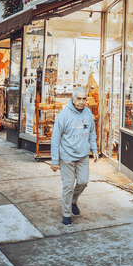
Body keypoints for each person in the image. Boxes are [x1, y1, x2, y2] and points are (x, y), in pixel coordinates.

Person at [50, 85, 98, 226]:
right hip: (67, 157)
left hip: (83, 155)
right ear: (72, 98)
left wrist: (94, 150)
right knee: (68, 186)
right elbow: (55, 138)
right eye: (78, 99)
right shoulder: (64, 115)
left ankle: (73, 201)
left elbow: (91, 133)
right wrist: (54, 160)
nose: (81, 102)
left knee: (83, 182)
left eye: (84, 99)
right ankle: (66, 213)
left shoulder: (88, 113)